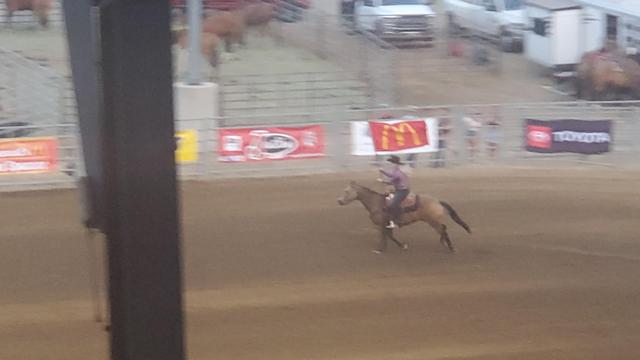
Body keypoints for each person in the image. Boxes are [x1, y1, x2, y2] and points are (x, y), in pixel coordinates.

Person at [378, 155, 410, 229]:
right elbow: (391, 175)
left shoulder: (397, 173)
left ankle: (396, 221)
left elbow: (390, 182)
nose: (390, 164)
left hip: (402, 191)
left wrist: (381, 181)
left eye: (391, 162)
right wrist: (383, 172)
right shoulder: (397, 170)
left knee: (392, 205)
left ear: (395, 163)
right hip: (401, 190)